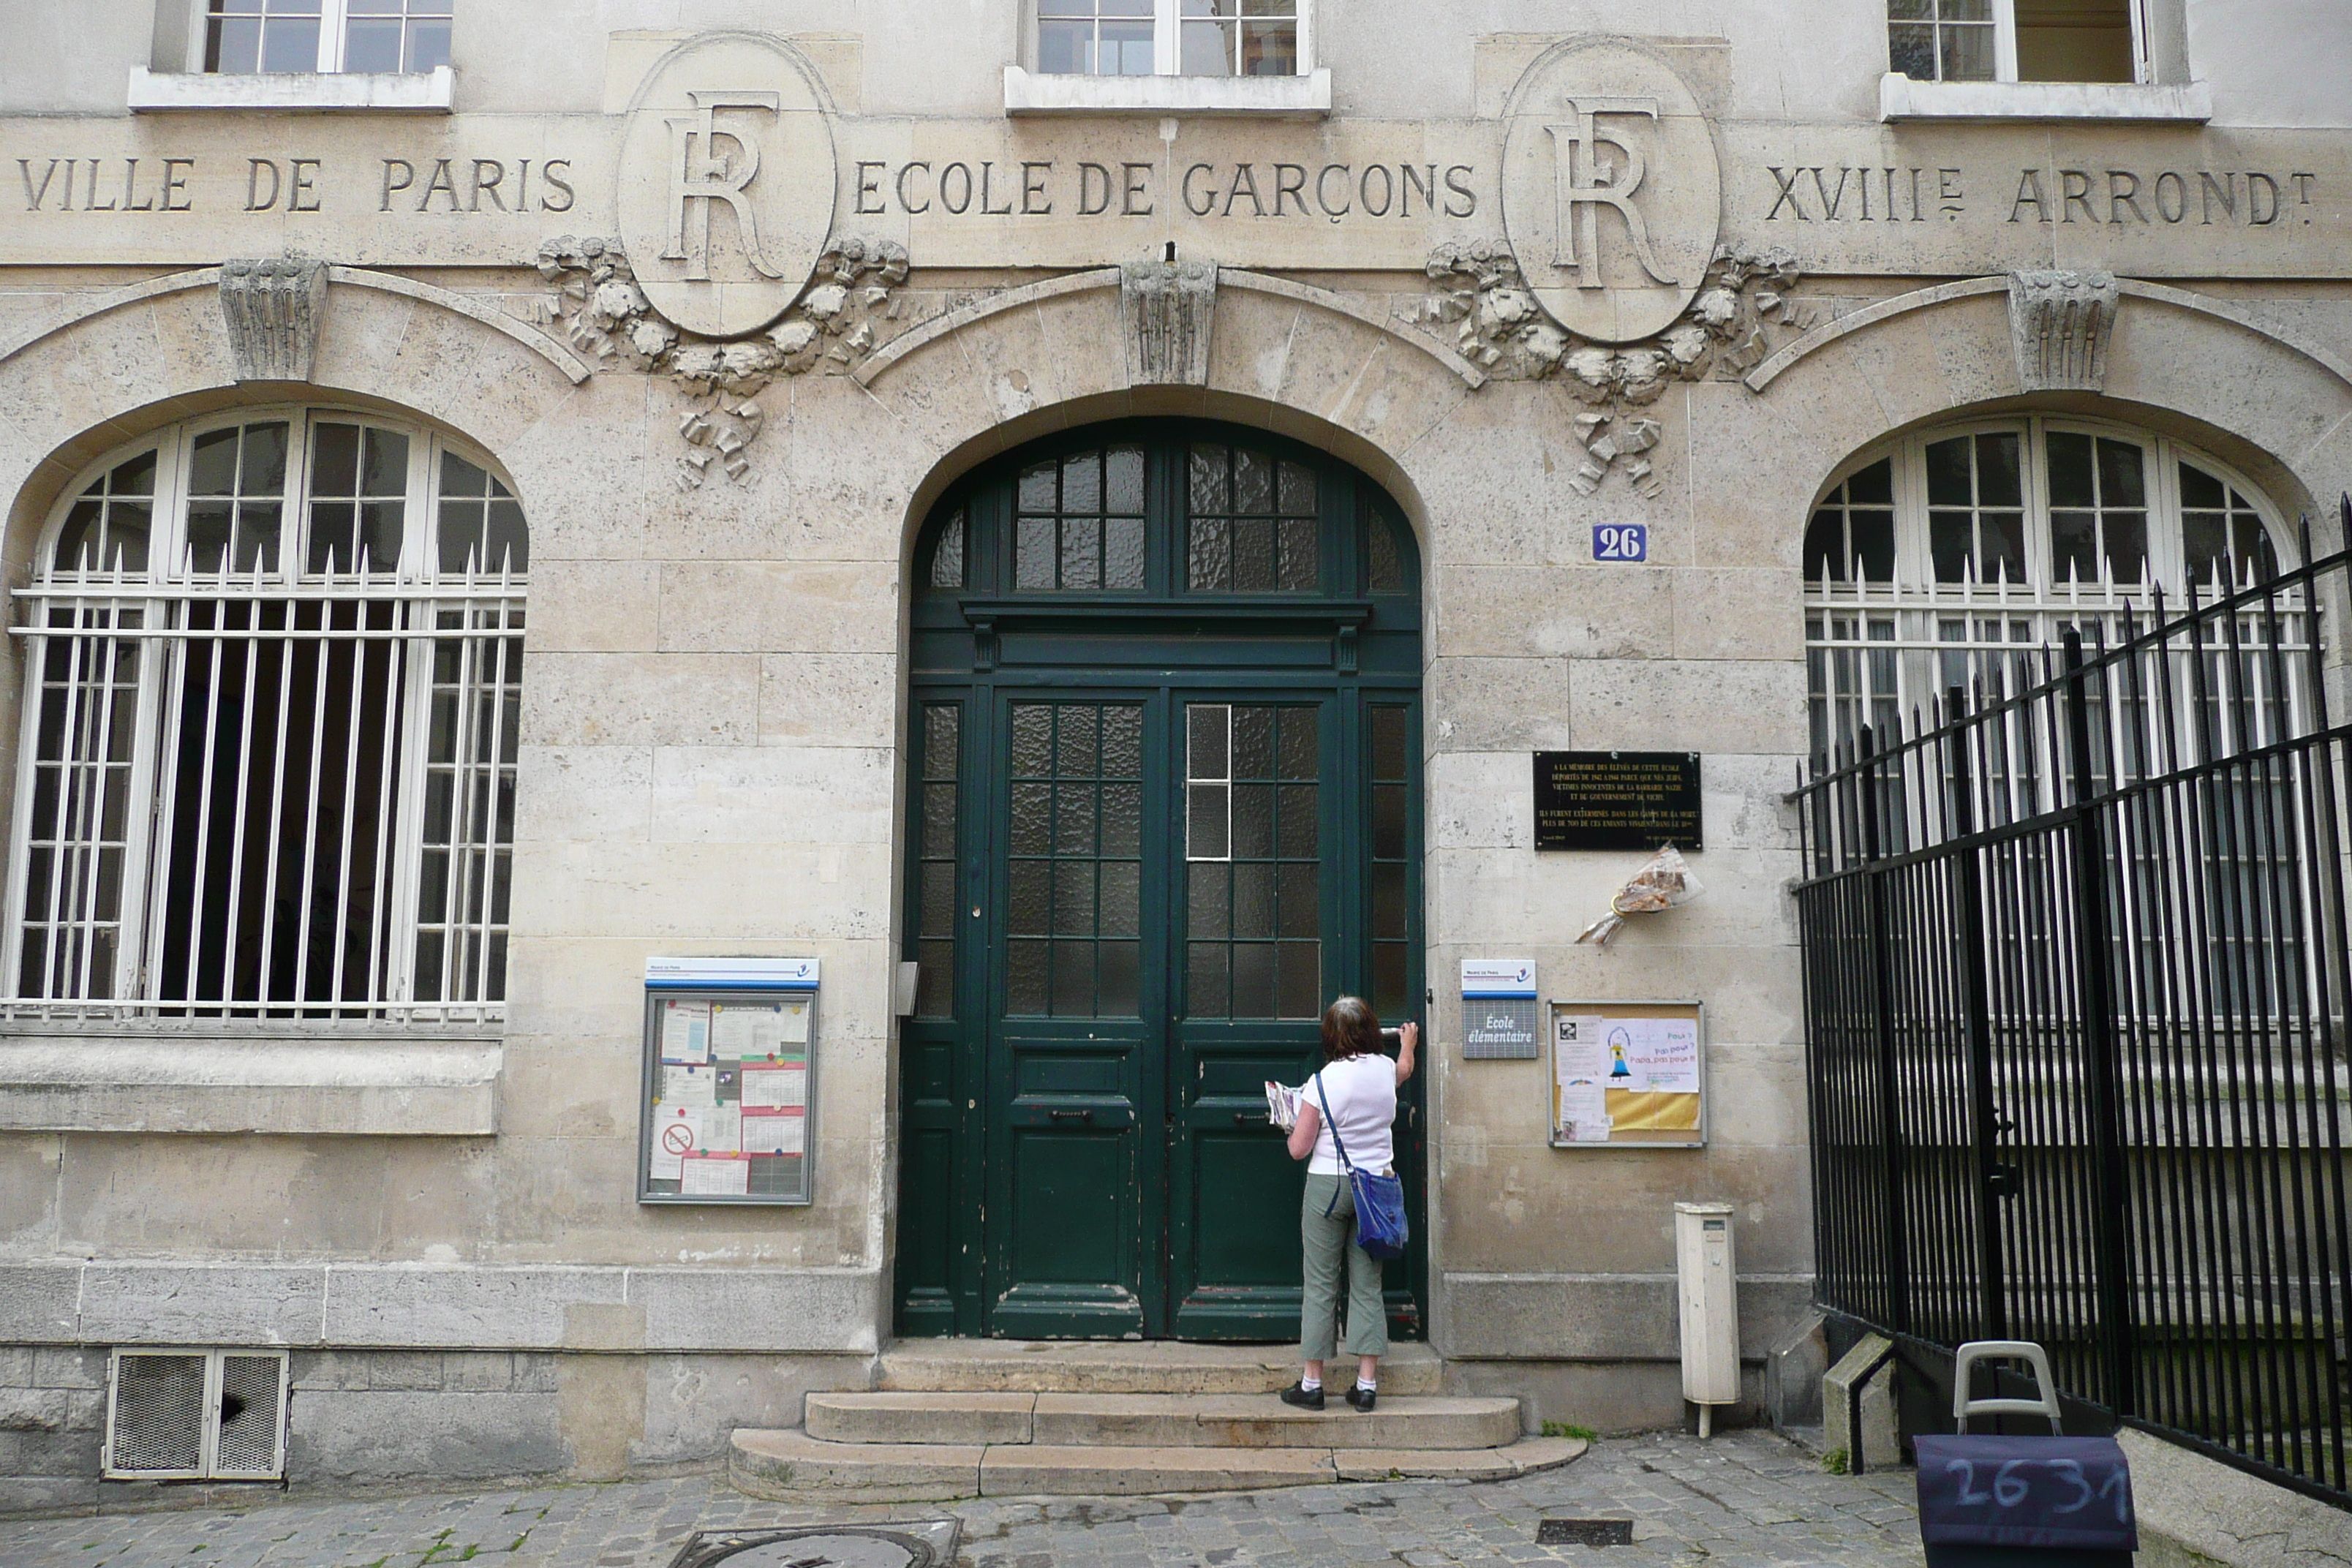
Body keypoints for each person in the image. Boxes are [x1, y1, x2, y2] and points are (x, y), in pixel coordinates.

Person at [1281, 996, 1417, 1412]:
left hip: (1329, 1188)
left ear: (1331, 1037)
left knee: (1322, 1285)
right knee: (1366, 1284)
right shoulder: (1383, 1070)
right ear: (1372, 1031)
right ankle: (1366, 1385)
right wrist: (1408, 1042)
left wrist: (1287, 1122)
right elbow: (1403, 1070)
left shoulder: (1320, 1083)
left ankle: (1312, 1384)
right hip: (1376, 1190)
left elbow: (1298, 1150)